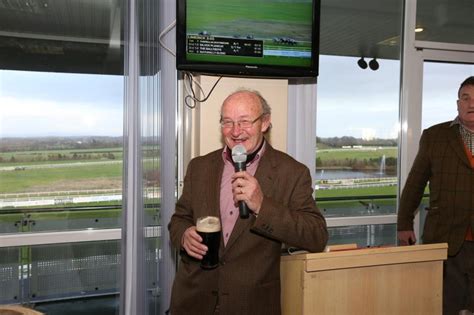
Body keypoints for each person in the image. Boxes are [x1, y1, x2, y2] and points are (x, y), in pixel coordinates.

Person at [168, 88, 328, 315]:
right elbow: (178, 219)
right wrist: (184, 235)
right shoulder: (199, 167)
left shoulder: (292, 173)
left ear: (265, 122)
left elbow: (316, 235)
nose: (235, 132)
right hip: (192, 301)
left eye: (244, 122)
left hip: (251, 304)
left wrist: (263, 205)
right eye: (227, 122)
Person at [397, 76, 474, 315]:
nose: (472, 104)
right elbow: (414, 184)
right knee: (445, 305)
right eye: (466, 98)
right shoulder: (435, 137)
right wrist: (404, 223)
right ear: (457, 103)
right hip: (446, 238)